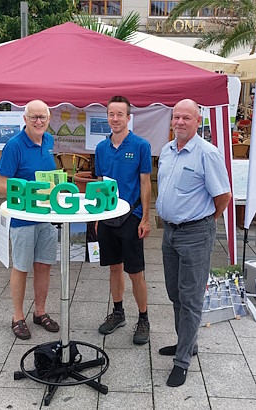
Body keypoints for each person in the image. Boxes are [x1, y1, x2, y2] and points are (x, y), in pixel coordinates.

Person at [156, 99, 232, 387]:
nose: (180, 122)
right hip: (170, 233)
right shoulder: (167, 151)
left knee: (190, 299)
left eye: (186, 118)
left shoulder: (207, 154)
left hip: (195, 233)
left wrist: (206, 221)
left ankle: (183, 360)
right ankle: (186, 343)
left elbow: (222, 196)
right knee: (175, 293)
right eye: (176, 117)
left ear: (198, 121)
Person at [0, 100, 60, 340]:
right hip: (23, 218)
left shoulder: (49, 141)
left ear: (49, 117)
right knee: (21, 267)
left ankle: (40, 312)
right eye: (33, 117)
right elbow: (1, 186)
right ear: (25, 119)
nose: (38, 121)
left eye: (42, 117)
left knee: (44, 265)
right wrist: (31, 190)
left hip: (46, 216)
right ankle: (18, 316)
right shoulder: (14, 146)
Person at [93, 96, 152, 345]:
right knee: (114, 267)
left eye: (120, 114)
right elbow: (99, 183)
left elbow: (146, 183)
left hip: (131, 216)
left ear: (129, 117)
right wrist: (97, 216)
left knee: (135, 272)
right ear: (107, 117)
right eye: (111, 114)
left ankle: (144, 318)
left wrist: (146, 219)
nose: (115, 118)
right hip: (108, 216)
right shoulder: (101, 148)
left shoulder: (141, 145)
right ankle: (118, 313)